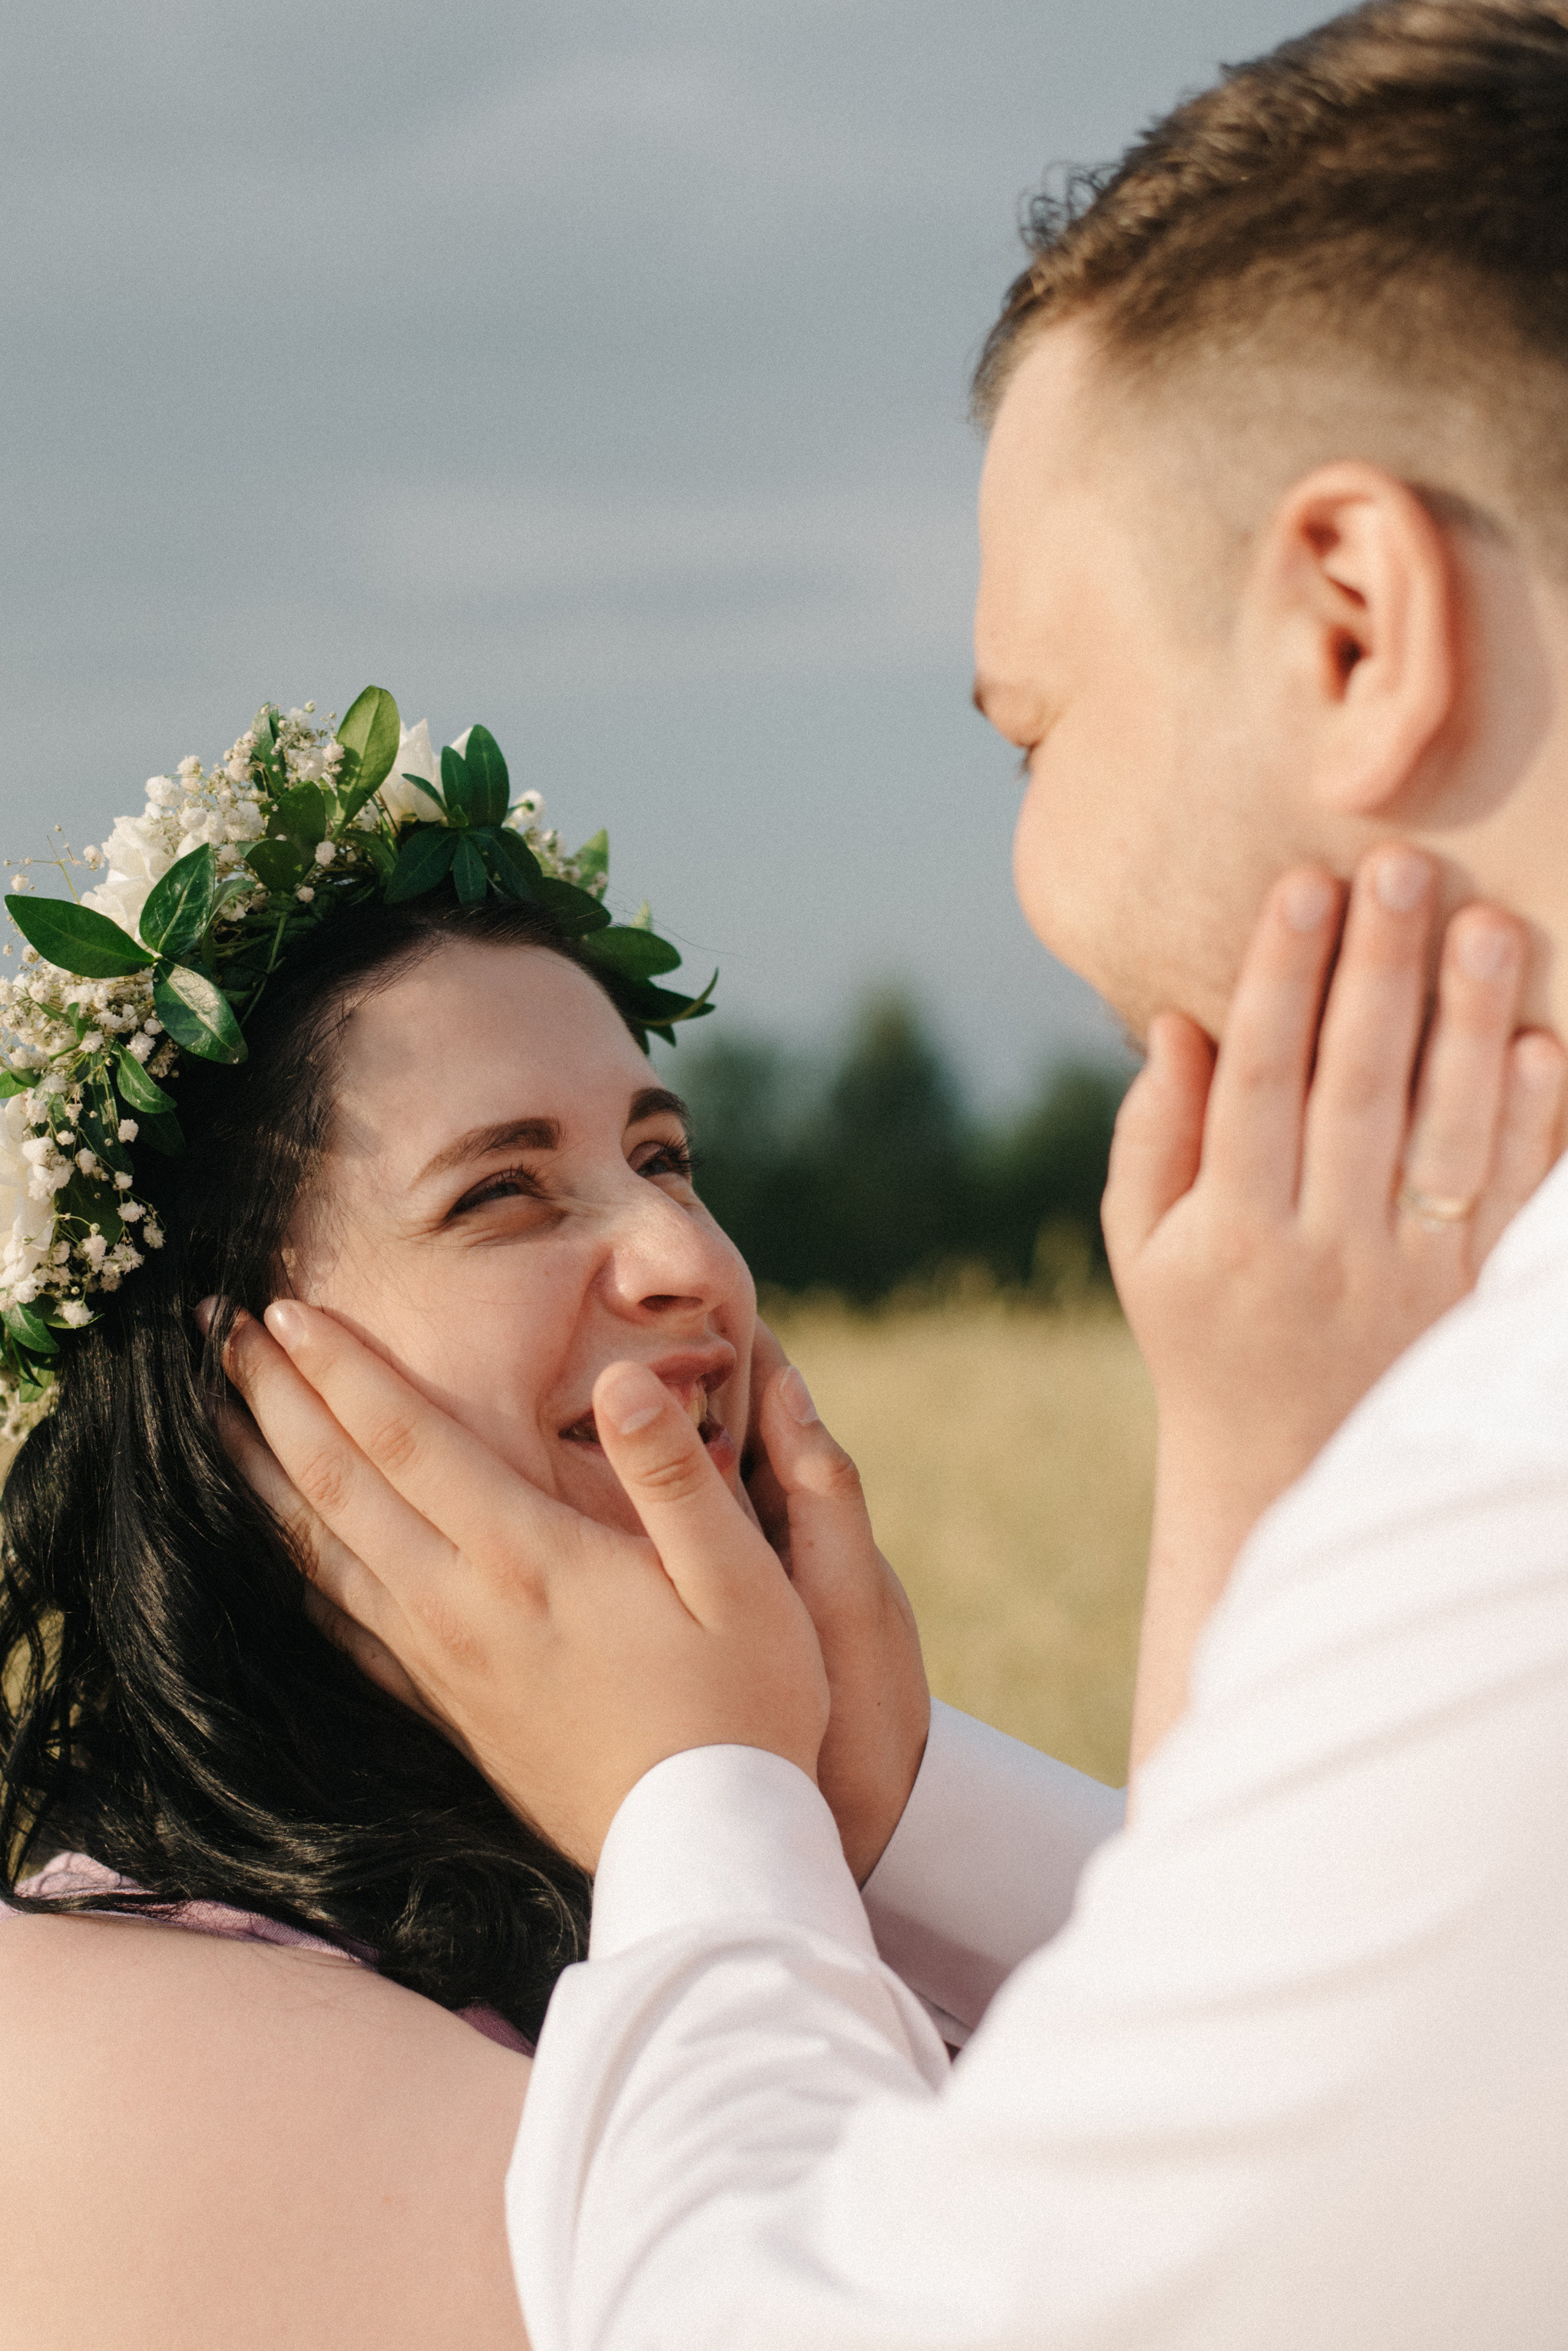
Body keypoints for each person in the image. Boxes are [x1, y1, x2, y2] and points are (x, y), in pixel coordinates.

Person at [219, 5, 1568, 2345]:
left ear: (1351, 624)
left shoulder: (1517, 1507)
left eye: (1033, 728)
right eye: (505, 1187)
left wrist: (695, 1808)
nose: (671, 1261)